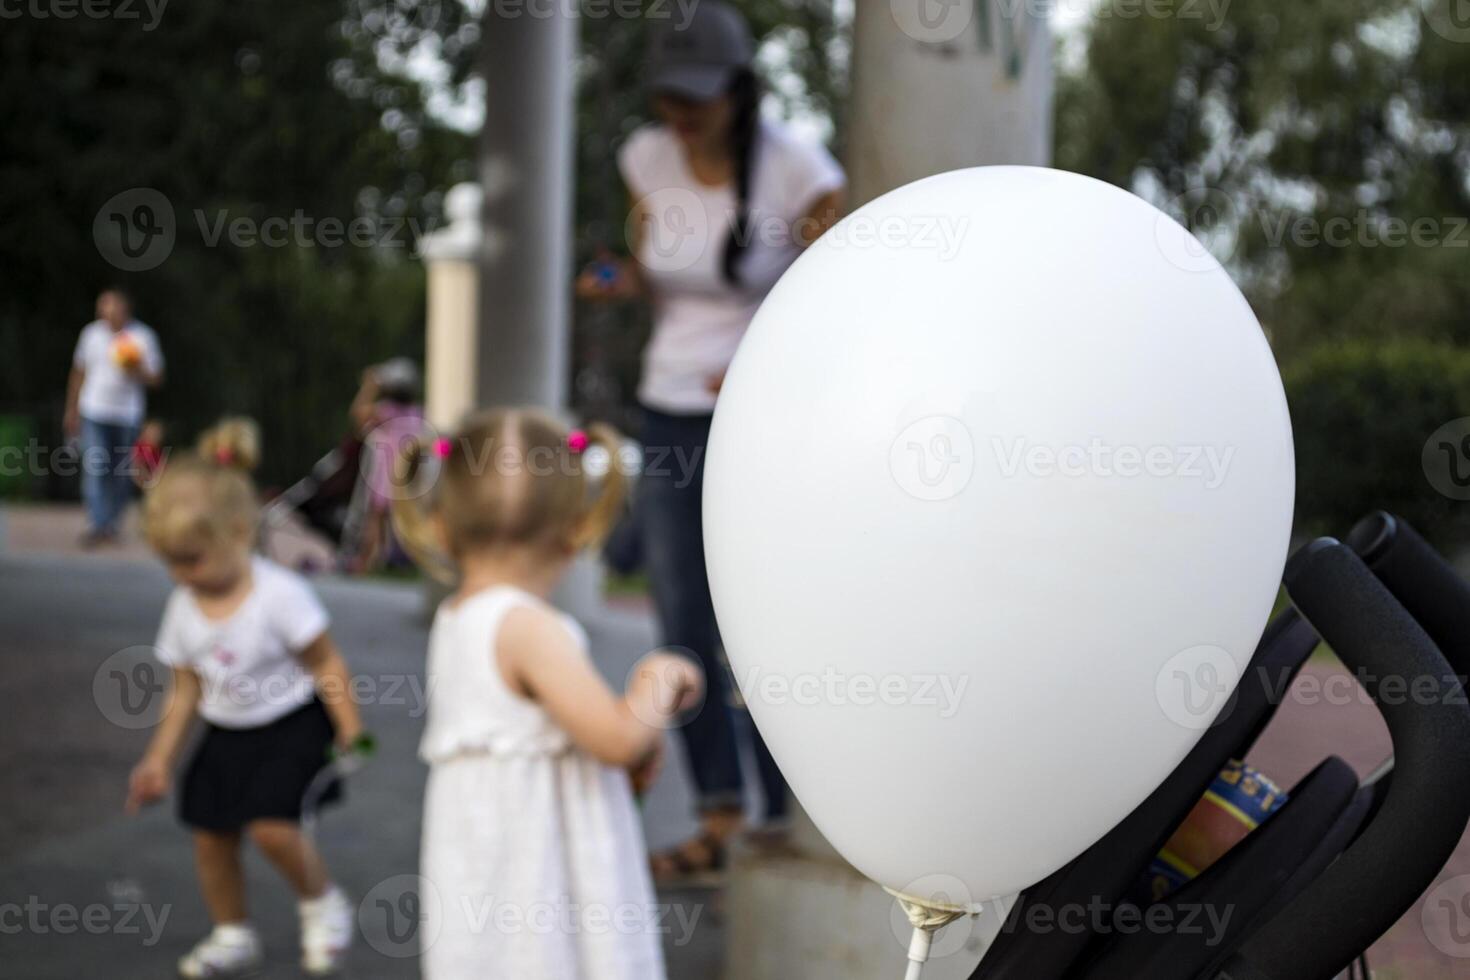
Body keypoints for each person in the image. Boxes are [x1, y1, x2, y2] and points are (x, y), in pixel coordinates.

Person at [576, 0, 845, 878]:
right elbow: (658, 273)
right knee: (681, 616)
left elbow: (837, 294)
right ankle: (719, 816)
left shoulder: (798, 170)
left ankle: (785, 809)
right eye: (669, 95)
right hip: (670, 407)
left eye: (699, 95)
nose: (682, 114)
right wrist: (615, 280)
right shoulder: (643, 157)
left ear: (739, 88)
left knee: (764, 616)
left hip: (764, 415)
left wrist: (767, 363)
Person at [391, 409, 704, 980]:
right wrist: (659, 678)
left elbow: (546, 739)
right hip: (537, 876)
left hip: (482, 865)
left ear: (441, 527)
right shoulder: (528, 627)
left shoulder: (458, 619)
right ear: (576, 528)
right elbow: (616, 738)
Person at [124, 418, 363, 979]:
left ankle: (323, 902)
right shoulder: (183, 607)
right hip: (227, 727)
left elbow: (326, 661)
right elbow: (185, 689)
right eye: (172, 562)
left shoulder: (280, 595)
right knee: (211, 837)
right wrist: (158, 760)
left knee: (272, 827)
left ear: (238, 532)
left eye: (194, 559)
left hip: (292, 723)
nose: (183, 575)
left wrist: (351, 725)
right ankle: (233, 932)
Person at [65, 287, 165, 546]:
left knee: (121, 472)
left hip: (127, 415)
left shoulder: (142, 337)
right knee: (96, 466)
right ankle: (98, 524)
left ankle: (111, 521)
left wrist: (137, 368)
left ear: (124, 309)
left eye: (110, 306)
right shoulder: (91, 334)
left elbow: (157, 378)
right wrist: (71, 410)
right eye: (102, 306)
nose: (105, 312)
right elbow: (78, 373)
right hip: (93, 410)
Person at [346, 357, 423, 571]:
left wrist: (369, 387)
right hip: (409, 478)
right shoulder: (418, 413)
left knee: (376, 522)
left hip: (385, 478)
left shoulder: (386, 411)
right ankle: (405, 562)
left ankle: (366, 564)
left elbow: (357, 415)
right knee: (406, 523)